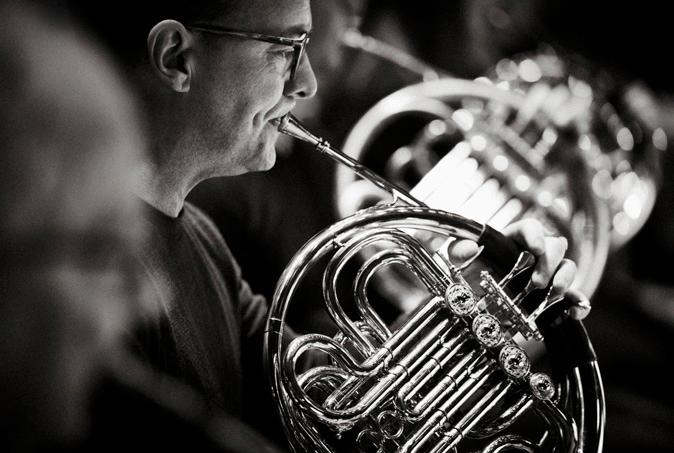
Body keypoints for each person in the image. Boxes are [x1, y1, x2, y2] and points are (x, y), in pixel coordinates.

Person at [68, 0, 579, 443]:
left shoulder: (203, 242)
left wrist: (477, 305)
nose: (308, 82)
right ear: (177, 57)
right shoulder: (83, 279)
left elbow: (337, 406)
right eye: (285, 49)